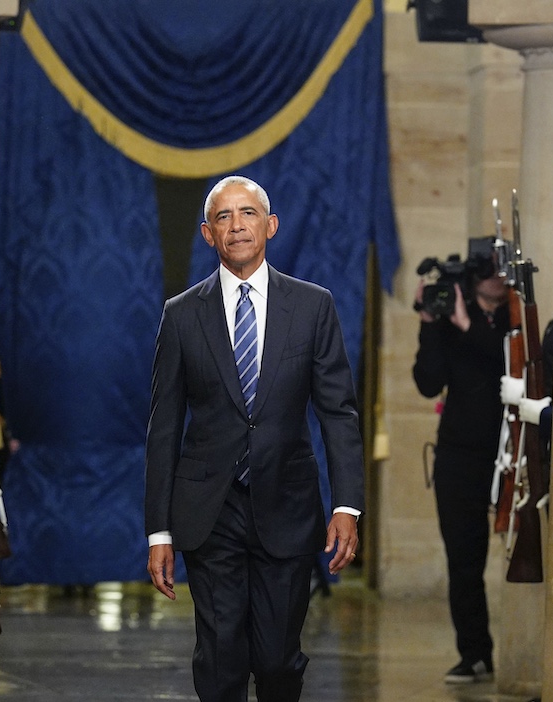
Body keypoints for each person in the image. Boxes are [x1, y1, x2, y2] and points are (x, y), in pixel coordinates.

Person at [145, 175, 363, 702]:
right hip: (209, 510)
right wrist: (159, 533)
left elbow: (338, 411)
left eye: (247, 214)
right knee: (220, 656)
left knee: (276, 658)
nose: (236, 225)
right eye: (224, 216)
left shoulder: (313, 306)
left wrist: (348, 506)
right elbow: (165, 425)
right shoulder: (181, 315)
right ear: (207, 233)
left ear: (271, 226)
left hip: (287, 505)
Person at [412, 241, 509, 684]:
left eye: (502, 268)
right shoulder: (450, 317)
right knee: (463, 560)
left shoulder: (517, 316)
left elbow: (511, 364)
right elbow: (428, 383)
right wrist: (430, 324)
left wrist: (468, 324)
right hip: (460, 455)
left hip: (514, 451)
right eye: (487, 269)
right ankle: (474, 653)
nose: (496, 277)